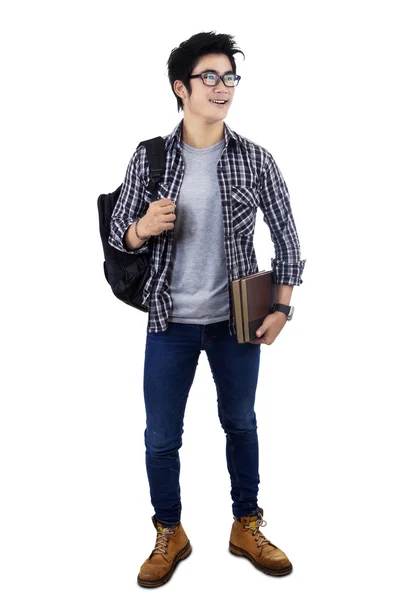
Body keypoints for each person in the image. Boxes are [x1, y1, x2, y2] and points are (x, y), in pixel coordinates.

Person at [109, 31, 306, 588]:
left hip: (236, 324)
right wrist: (143, 227)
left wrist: (283, 310)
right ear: (181, 87)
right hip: (168, 323)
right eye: (210, 77)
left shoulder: (255, 159)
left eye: (230, 77)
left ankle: (247, 523)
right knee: (160, 436)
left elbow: (289, 239)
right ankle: (169, 530)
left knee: (240, 423)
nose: (223, 88)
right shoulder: (151, 157)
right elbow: (121, 238)